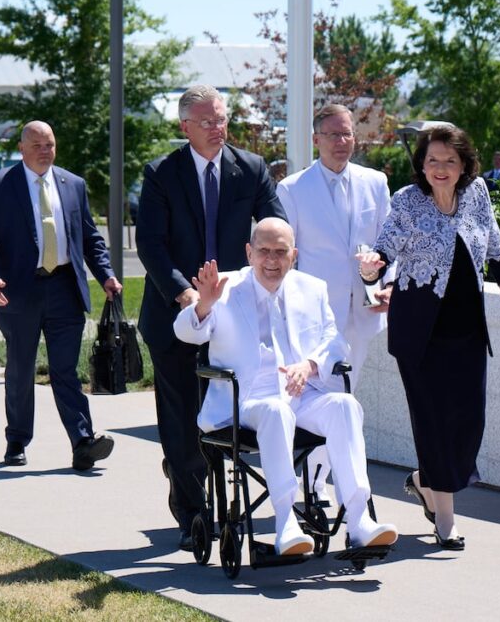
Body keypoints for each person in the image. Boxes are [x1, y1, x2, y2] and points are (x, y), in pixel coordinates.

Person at [173, 218, 398, 556]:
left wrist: (309, 366)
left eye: (280, 252)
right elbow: (187, 333)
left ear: (293, 255)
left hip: (301, 395)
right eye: (263, 251)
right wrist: (203, 304)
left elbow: (334, 342)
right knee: (276, 411)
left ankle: (358, 519)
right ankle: (285, 524)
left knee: (345, 405)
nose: (272, 260)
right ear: (249, 252)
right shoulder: (225, 287)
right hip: (245, 402)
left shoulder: (311, 288)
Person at [357, 125, 500, 551]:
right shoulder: (407, 200)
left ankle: (423, 482)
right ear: (422, 163)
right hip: (419, 333)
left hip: (467, 329)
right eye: (432, 160)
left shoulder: (478, 195)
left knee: (468, 422)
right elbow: (383, 255)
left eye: (449, 161)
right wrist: (369, 270)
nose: (440, 168)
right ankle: (445, 521)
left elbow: (498, 254)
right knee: (433, 422)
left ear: (464, 165)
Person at [136, 84, 286, 551]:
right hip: (176, 317)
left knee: (224, 417)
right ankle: (193, 514)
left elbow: (274, 227)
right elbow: (151, 245)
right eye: (207, 122)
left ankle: (224, 504)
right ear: (185, 126)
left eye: (222, 119)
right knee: (182, 420)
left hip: (235, 324)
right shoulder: (161, 173)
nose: (218, 128)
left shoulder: (252, 169)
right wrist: (187, 296)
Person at [0, 120, 123, 472]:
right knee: (21, 368)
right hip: (18, 293)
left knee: (65, 369)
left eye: (50, 145)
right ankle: (17, 439)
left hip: (64, 288)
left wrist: (107, 275)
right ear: (22, 149)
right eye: (37, 145)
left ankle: (83, 442)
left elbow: (89, 238)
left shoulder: (73, 185)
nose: (44, 151)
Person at [276, 103, 394, 504]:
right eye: (332, 135)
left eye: (347, 134)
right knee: (322, 395)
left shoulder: (375, 182)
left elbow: (387, 243)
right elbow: (287, 256)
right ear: (316, 140)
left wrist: (388, 284)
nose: (341, 142)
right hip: (316, 316)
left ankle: (314, 479)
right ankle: (313, 481)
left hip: (364, 308)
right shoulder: (292, 189)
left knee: (345, 395)